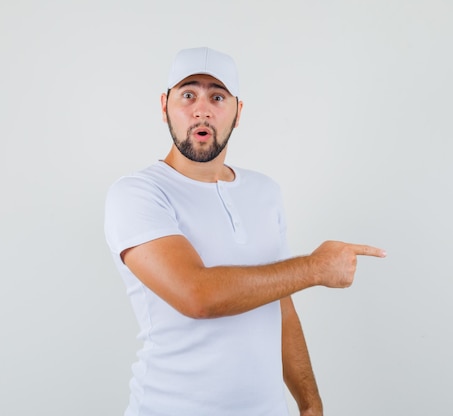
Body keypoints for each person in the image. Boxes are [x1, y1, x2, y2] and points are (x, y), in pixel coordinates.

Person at [104, 46, 386, 416]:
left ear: (238, 113)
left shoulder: (264, 191)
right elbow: (196, 296)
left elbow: (280, 303)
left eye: (217, 97)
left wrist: (311, 404)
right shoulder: (137, 193)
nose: (202, 109)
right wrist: (315, 268)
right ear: (164, 106)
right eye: (188, 94)